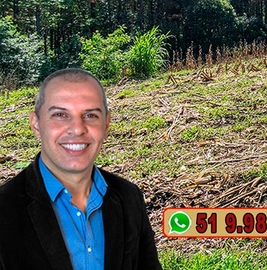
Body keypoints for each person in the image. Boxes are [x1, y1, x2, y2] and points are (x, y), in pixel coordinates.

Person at [0, 68, 162, 270]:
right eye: (60, 114)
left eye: (91, 115)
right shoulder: (4, 208)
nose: (77, 129)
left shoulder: (129, 197)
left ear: (106, 124)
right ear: (36, 123)